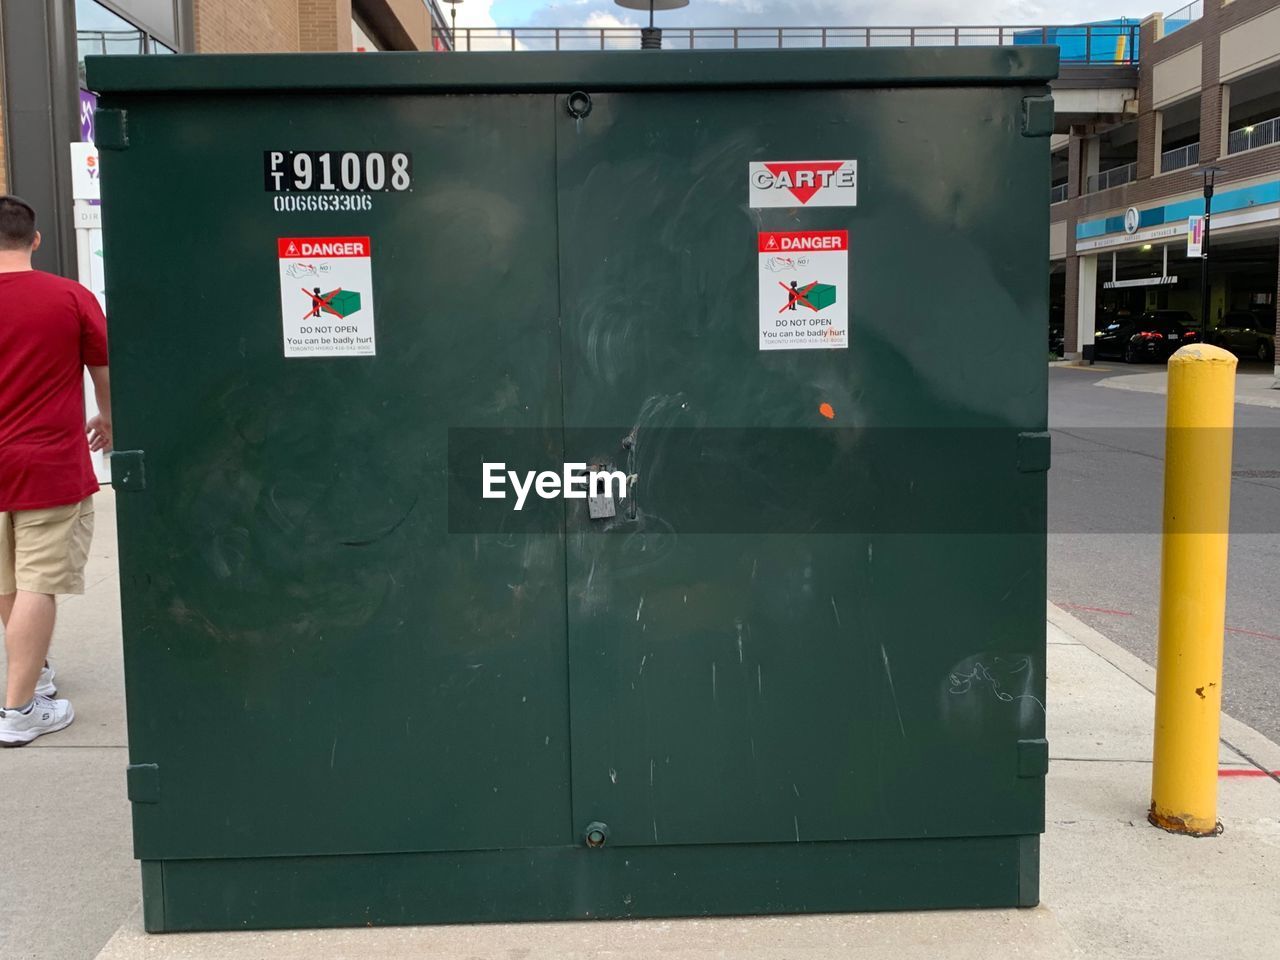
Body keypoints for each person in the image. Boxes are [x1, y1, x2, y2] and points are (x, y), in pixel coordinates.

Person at [0, 196, 110, 746]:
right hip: (48, 463)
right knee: (38, 583)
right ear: (35, 239)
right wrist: (110, 419)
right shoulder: (69, 296)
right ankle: (19, 710)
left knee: (6, 580)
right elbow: (103, 366)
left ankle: (34, 670)